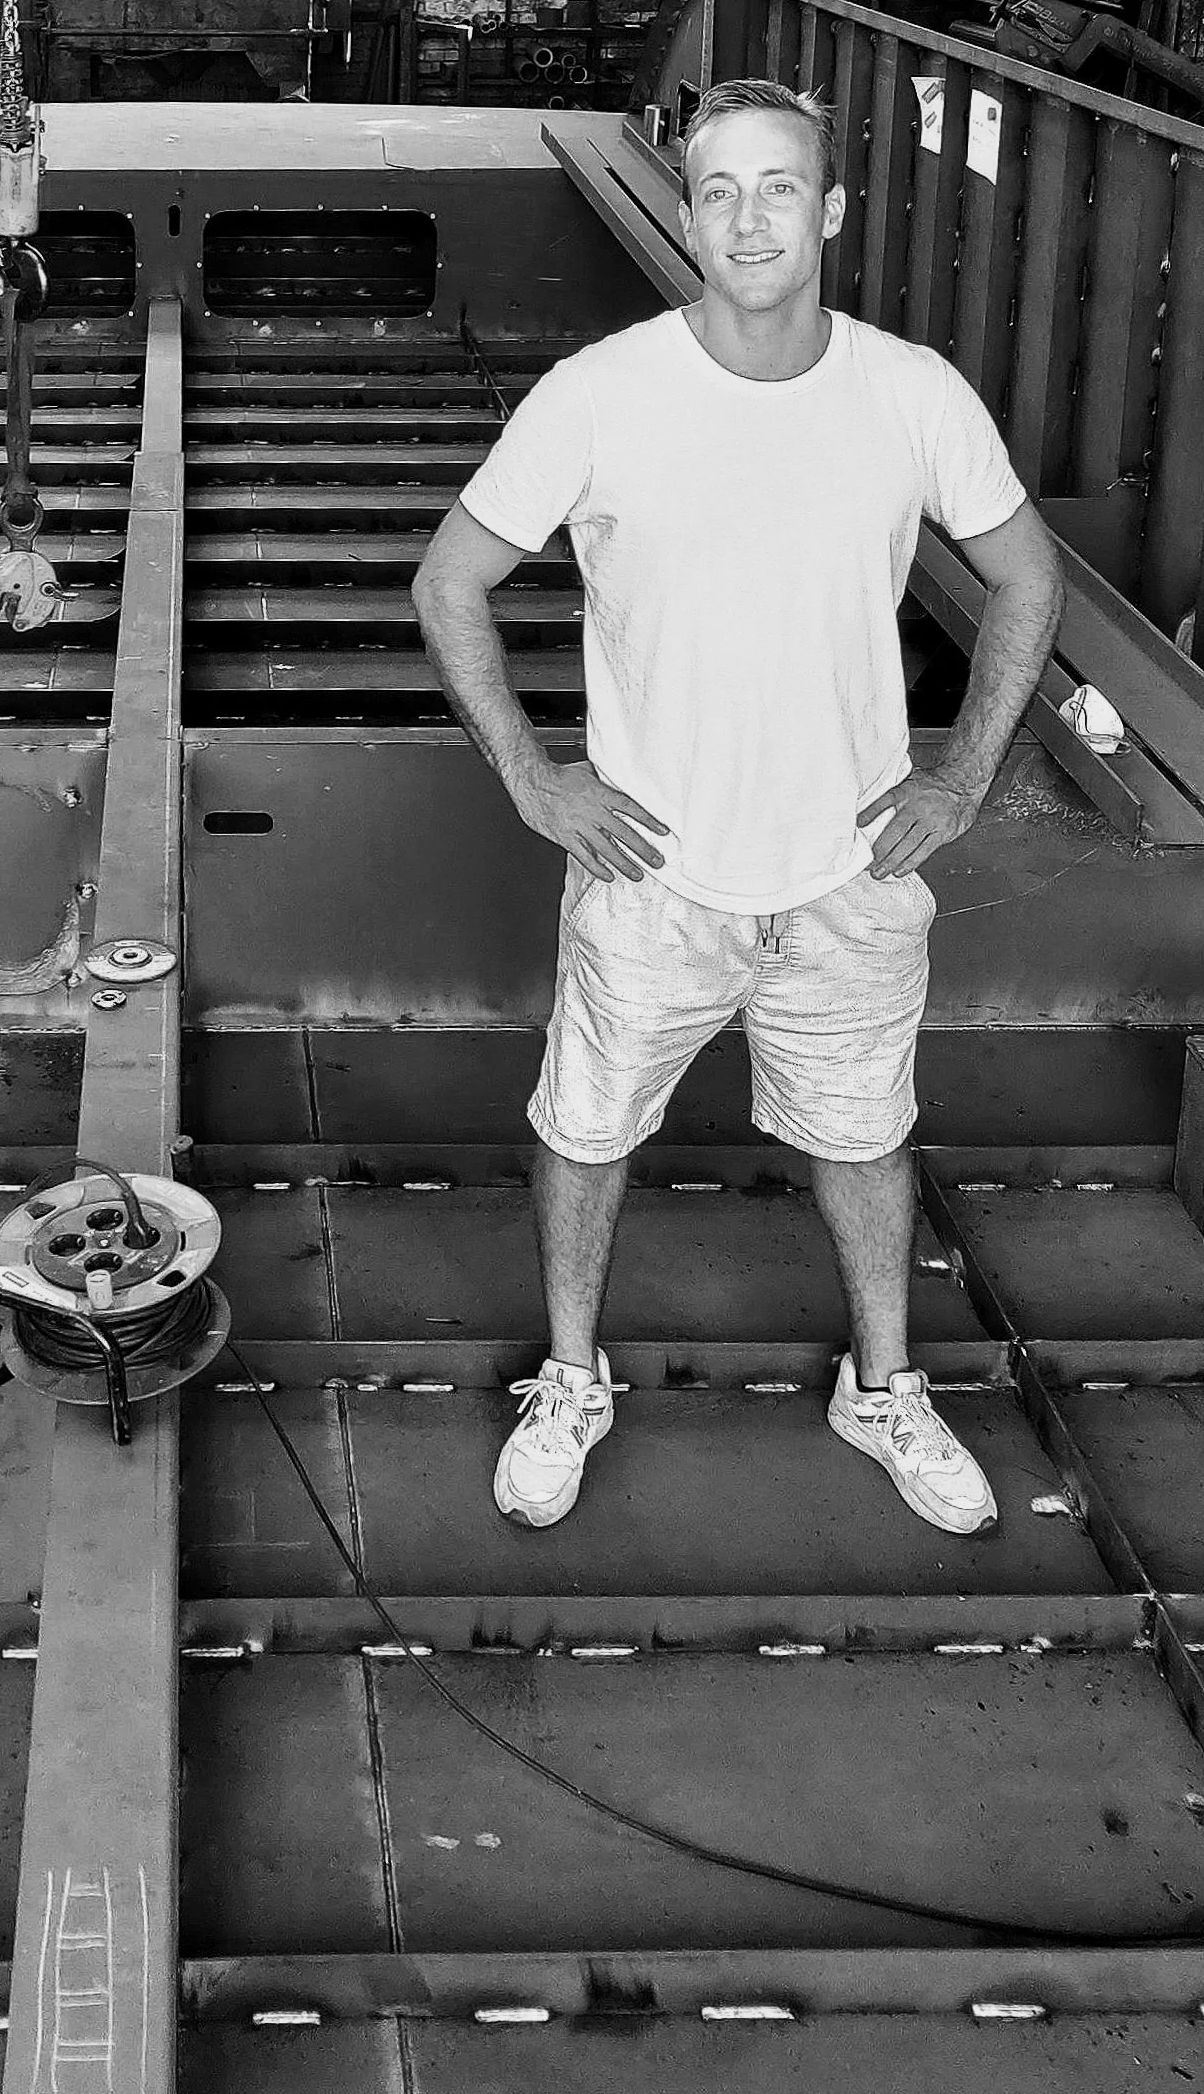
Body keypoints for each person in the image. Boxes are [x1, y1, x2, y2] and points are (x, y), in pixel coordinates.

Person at [412, 78, 1065, 1537]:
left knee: (863, 1138)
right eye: (719, 189)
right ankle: (572, 1377)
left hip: (846, 873)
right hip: (653, 872)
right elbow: (447, 581)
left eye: (780, 188)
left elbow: (1027, 577)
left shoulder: (908, 393)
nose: (748, 217)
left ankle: (881, 1384)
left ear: (829, 211)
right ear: (689, 210)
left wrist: (959, 773)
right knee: (585, 1131)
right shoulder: (600, 393)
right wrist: (532, 772)